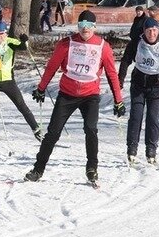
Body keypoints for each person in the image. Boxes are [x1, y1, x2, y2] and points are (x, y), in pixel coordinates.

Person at [25, 10, 125, 183]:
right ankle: (38, 169)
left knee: (91, 129)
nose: (85, 29)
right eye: (81, 26)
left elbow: (111, 74)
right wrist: (41, 88)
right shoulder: (67, 44)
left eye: (88, 26)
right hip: (67, 94)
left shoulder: (103, 46)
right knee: (53, 133)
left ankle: (92, 168)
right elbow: (51, 67)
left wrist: (118, 100)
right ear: (78, 27)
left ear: (94, 27)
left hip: (90, 95)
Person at [118, 17, 159, 165]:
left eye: (154, 30)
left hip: (156, 85)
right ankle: (132, 149)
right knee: (136, 117)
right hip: (138, 84)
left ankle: (151, 150)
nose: (151, 34)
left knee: (153, 118)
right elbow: (126, 60)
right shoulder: (136, 43)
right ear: (144, 31)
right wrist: (120, 79)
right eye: (148, 30)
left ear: (158, 31)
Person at [0, 21, 41, 140]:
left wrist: (25, 40)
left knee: (21, 105)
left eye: (1, 33)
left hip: (8, 80)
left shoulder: (10, 42)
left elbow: (23, 47)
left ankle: (36, 129)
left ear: (6, 33)